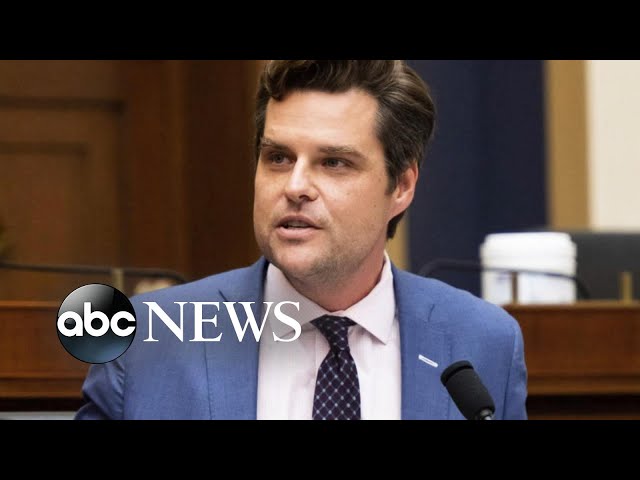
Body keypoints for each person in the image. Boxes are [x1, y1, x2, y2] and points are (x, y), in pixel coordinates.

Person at [75, 60, 527, 420]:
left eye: (333, 163)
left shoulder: (482, 343)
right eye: (278, 157)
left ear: (402, 186)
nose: (295, 186)